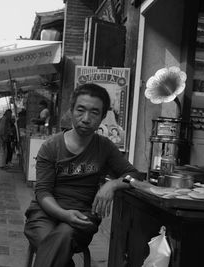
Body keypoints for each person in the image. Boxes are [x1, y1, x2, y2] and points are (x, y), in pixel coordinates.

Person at [23, 83, 140, 267]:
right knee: (55, 245)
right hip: (44, 214)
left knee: (63, 236)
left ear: (102, 117)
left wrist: (114, 184)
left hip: (82, 216)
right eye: (80, 110)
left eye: (94, 113)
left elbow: (134, 175)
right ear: (71, 111)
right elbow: (43, 192)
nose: (86, 118)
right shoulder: (51, 146)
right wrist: (64, 214)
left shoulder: (105, 147)